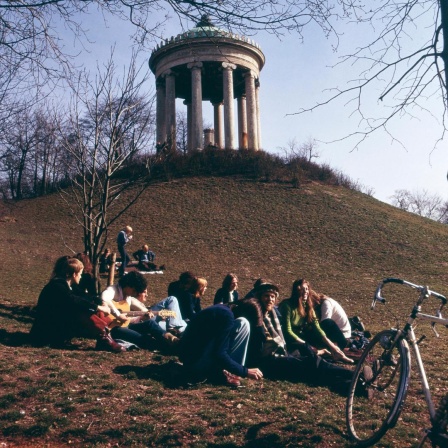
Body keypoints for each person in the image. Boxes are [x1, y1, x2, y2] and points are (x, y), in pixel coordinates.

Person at [232, 282, 365, 395]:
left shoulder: (272, 315)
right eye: (266, 296)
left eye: (272, 297)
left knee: (311, 368)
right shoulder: (255, 315)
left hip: (280, 353)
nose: (270, 299)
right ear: (259, 297)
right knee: (310, 366)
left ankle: (354, 384)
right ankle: (355, 377)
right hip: (268, 362)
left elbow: (313, 326)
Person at [30, 256, 124, 352]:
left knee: (89, 307)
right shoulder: (56, 286)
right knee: (81, 310)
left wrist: (101, 303)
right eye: (80, 274)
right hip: (46, 332)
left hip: (57, 327)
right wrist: (97, 307)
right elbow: (74, 301)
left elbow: (85, 297)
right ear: (74, 274)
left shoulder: (68, 286)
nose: (81, 276)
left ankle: (105, 337)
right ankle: (103, 336)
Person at [178, 304, 263, 386]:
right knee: (244, 323)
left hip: (191, 359)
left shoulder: (223, 309)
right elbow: (219, 354)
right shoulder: (227, 316)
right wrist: (245, 371)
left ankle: (227, 371)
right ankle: (229, 374)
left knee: (241, 323)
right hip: (196, 365)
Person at [101, 271, 185, 348]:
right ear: (129, 286)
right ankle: (165, 346)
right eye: (134, 291)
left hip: (125, 326)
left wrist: (141, 318)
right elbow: (104, 297)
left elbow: (127, 320)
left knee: (150, 323)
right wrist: (118, 315)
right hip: (113, 329)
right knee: (141, 338)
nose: (135, 294)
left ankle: (172, 339)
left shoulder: (128, 297)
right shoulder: (113, 290)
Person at [278, 279, 352, 362]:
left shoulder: (308, 306)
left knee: (327, 326)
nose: (305, 291)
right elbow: (287, 331)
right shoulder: (287, 306)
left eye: (306, 289)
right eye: (302, 289)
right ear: (297, 290)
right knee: (299, 354)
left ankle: (334, 352)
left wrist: (332, 346)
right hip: (292, 338)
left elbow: (317, 327)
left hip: (304, 336)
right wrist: (306, 345)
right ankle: (322, 352)